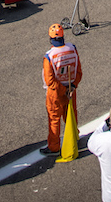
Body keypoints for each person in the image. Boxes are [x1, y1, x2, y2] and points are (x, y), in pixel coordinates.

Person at [41, 23, 81, 157]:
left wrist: (63, 90)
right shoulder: (72, 49)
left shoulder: (49, 56)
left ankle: (54, 147)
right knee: (71, 115)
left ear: (50, 39)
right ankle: (75, 137)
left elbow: (50, 81)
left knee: (54, 119)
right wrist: (72, 86)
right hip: (71, 89)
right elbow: (79, 71)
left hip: (56, 94)